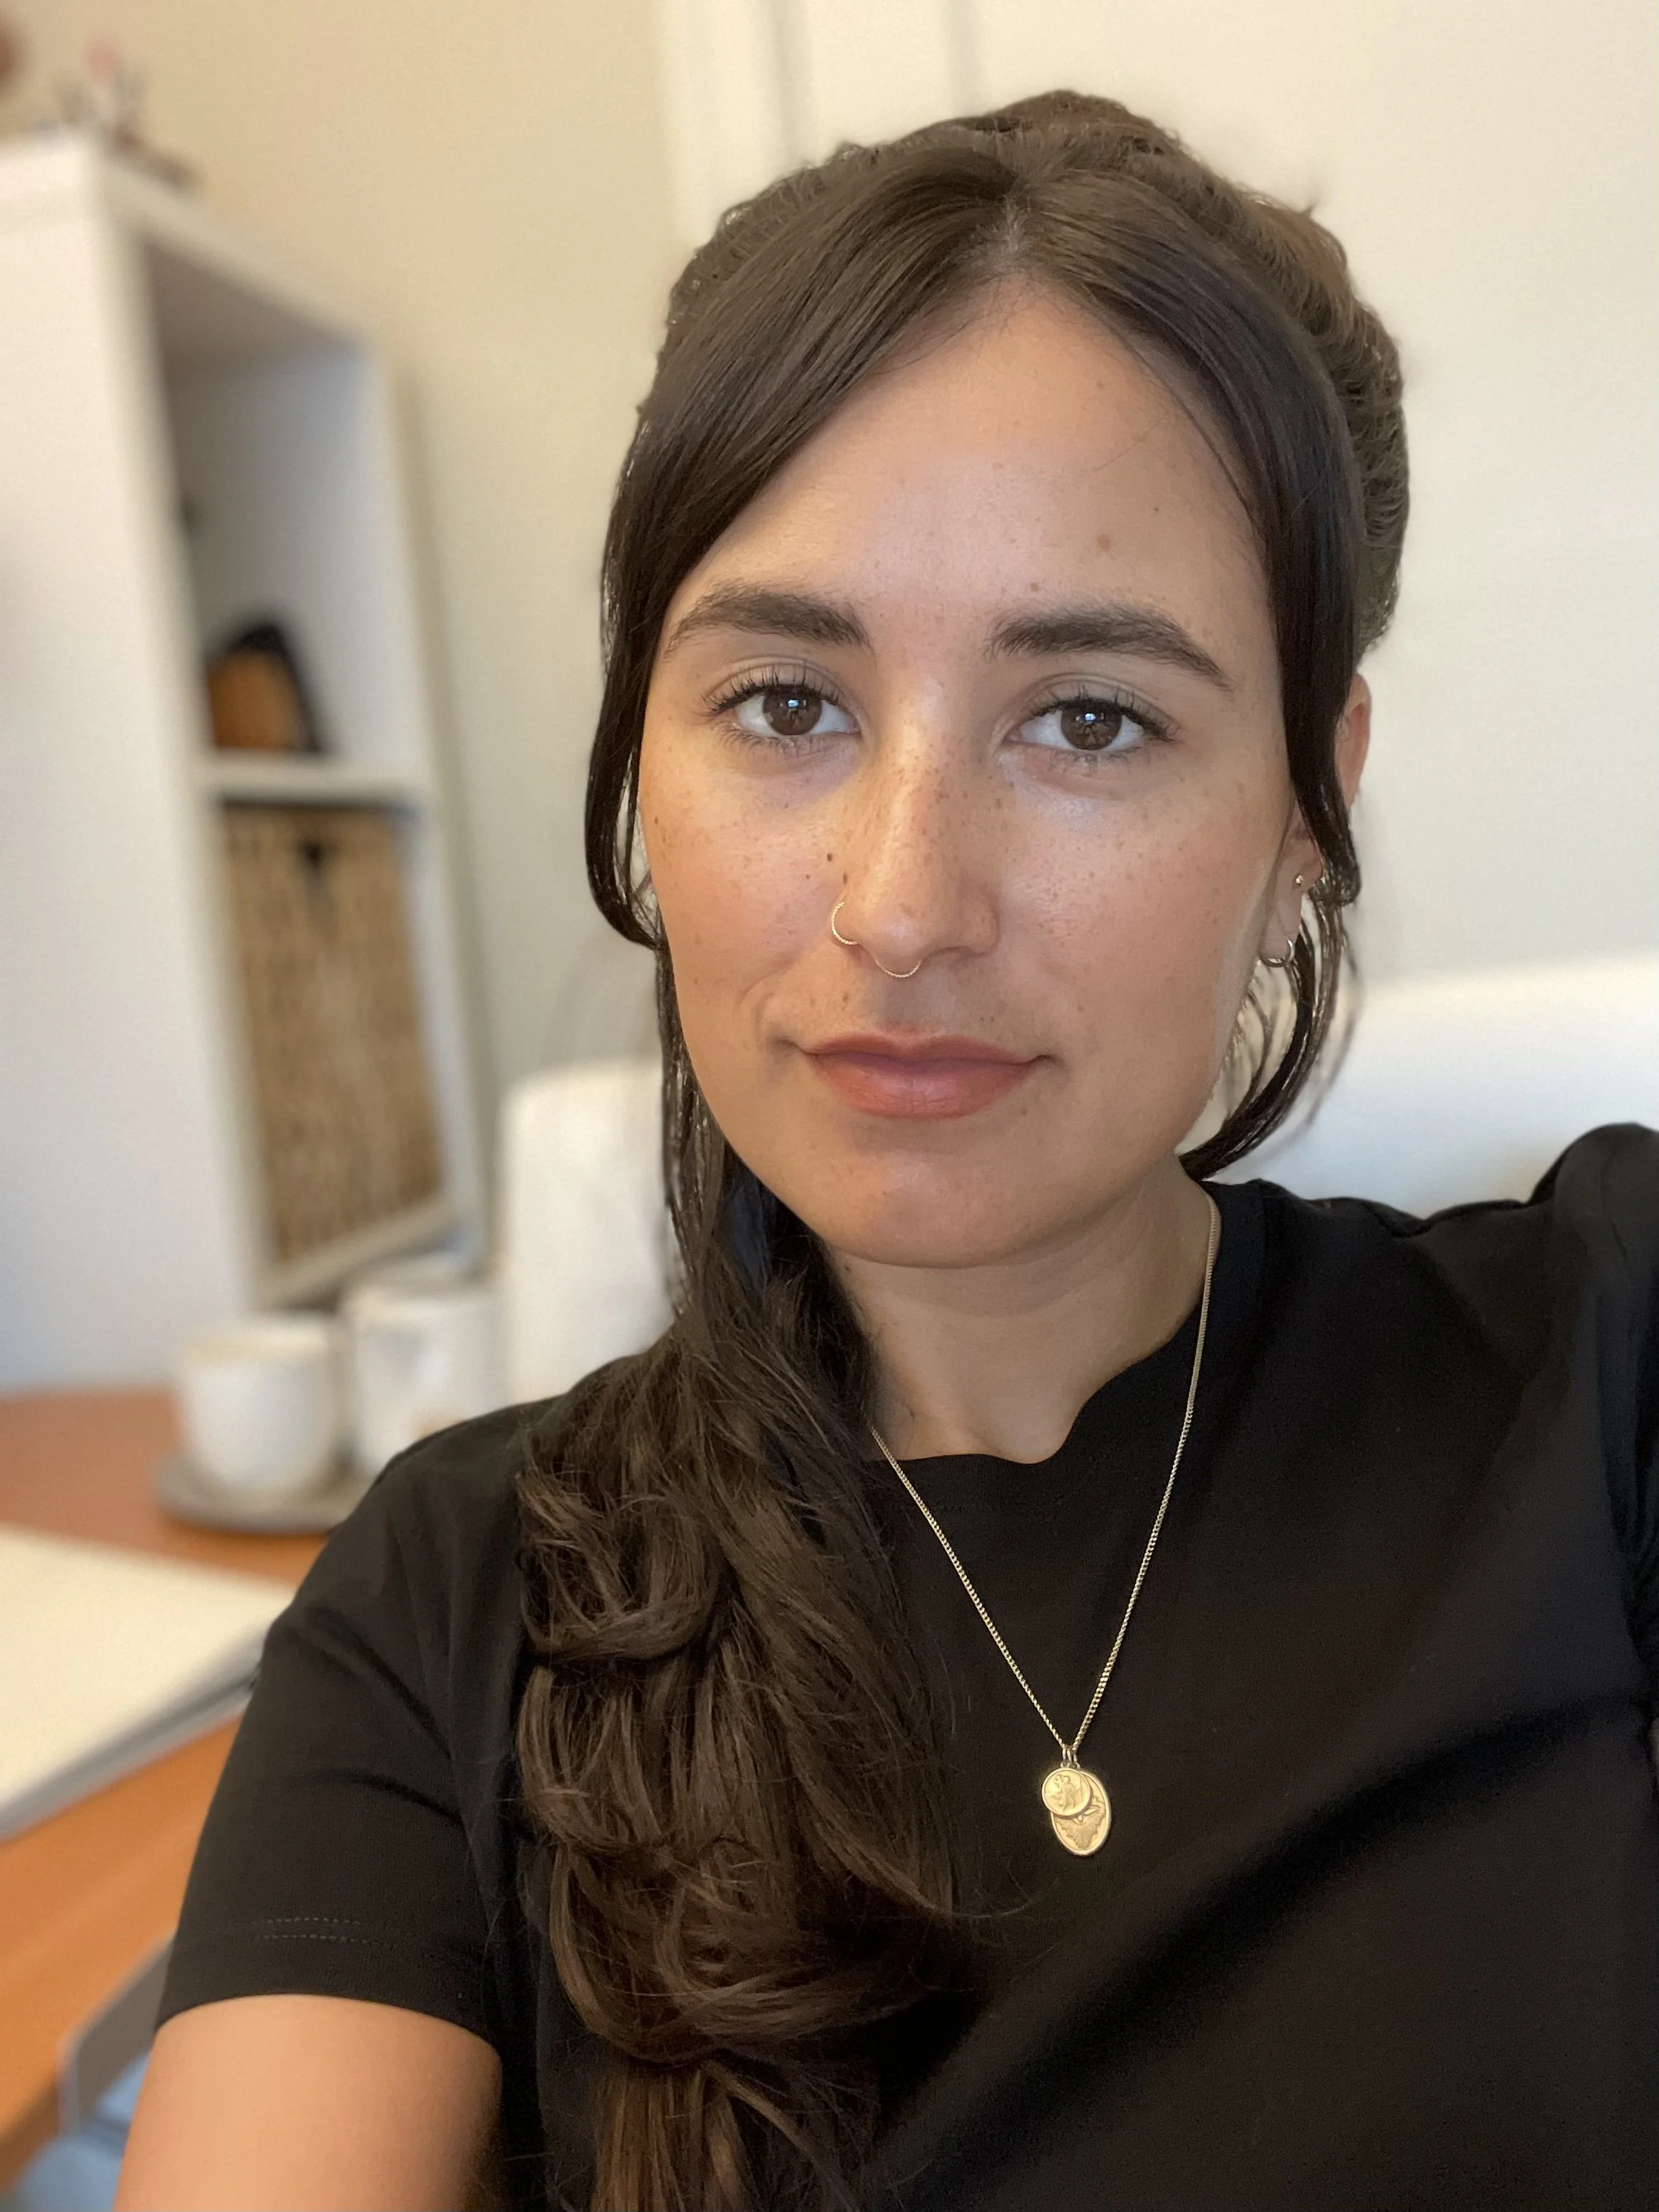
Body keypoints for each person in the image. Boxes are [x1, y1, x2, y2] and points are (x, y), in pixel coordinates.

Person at [117, 91, 1659, 2212]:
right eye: (785, 703)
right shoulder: (457, 1608)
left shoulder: (1604, 1375)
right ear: (646, 758)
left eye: (1090, 718)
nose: (906, 903)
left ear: (1314, 801)